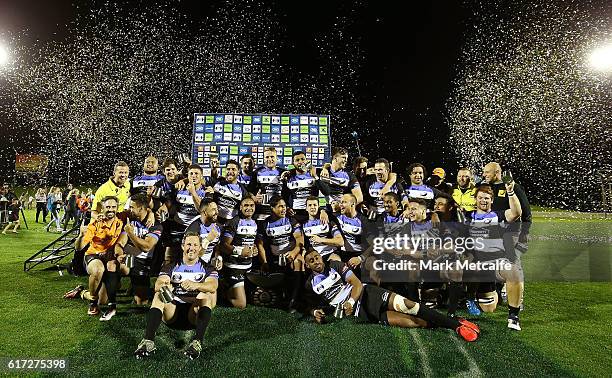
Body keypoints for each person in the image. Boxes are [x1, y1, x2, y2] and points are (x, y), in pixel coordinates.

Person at [303, 249, 480, 342]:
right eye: (311, 261)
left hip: (368, 294)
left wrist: (350, 301)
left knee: (409, 306)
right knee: (414, 322)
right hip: (363, 313)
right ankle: (454, 322)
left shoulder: (335, 265)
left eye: (317, 257)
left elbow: (356, 284)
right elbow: (311, 304)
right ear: (307, 266)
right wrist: (315, 313)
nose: (316, 262)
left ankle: (456, 326)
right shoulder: (310, 284)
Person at [134, 231, 218, 360]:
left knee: (205, 296)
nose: (192, 248)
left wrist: (196, 285)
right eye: (189, 244)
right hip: (172, 314)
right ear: (183, 246)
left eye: (195, 245)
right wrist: (166, 286)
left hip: (193, 316)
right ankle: (148, 341)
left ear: (200, 248)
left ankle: (197, 343)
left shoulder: (208, 268)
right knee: (158, 295)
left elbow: (212, 286)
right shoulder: (171, 266)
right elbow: (158, 284)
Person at [465, 184, 524, 330]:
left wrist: (510, 191)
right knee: (488, 308)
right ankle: (468, 297)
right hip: (476, 262)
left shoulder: (498, 215)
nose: (483, 200)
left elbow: (516, 212)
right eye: (480, 197)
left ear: (491, 200)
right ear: (475, 199)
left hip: (496, 261)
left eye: (486, 198)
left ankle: (513, 317)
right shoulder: (467, 216)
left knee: (514, 273)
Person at [102, 193, 164, 321]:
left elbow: (147, 246)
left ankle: (135, 287)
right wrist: (119, 254)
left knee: (141, 302)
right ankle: (107, 296)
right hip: (127, 259)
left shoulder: (156, 224)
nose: (128, 209)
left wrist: (131, 233)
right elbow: (120, 243)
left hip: (143, 262)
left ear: (141, 209)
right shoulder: (130, 220)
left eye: (131, 207)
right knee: (102, 298)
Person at [75, 196, 124, 316]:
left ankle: (81, 292)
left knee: (102, 301)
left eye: (113, 207)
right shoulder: (95, 224)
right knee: (98, 269)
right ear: (102, 208)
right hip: (93, 256)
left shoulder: (120, 223)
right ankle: (92, 303)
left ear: (117, 208)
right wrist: (81, 236)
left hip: (108, 260)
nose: (111, 210)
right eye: (108, 207)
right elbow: (79, 247)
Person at [256, 195, 305, 311]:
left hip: (292, 255)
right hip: (274, 258)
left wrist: (293, 253)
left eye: (284, 206)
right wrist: (264, 262)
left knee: (298, 261)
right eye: (280, 207)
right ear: (272, 208)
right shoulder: (265, 224)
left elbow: (300, 239)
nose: (283, 209)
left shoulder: (291, 220)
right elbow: (260, 244)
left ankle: (294, 300)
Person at [219, 197, 260, 309]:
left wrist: (254, 249)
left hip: (248, 266)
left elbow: (250, 242)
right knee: (241, 304)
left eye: (252, 205)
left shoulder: (255, 222)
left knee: (255, 298)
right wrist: (239, 251)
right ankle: (222, 290)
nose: (249, 208)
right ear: (240, 207)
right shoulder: (235, 221)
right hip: (234, 266)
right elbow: (223, 245)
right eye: (246, 205)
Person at [164, 164, 207, 263]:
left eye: (196, 173)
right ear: (187, 176)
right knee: (170, 257)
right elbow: (170, 202)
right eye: (191, 173)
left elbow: (201, 210)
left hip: (194, 228)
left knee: (190, 257)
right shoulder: (180, 188)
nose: (193, 176)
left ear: (201, 176)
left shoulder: (206, 192)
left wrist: (193, 192)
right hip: (177, 226)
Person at [247, 147, 286, 221]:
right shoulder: (257, 172)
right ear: (264, 159)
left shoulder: (283, 173)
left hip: (278, 212)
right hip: (261, 213)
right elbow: (249, 191)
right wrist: (254, 198)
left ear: (277, 158)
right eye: (267, 157)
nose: (270, 159)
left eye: (272, 157)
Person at [281, 151, 319, 224]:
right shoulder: (289, 177)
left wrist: (317, 176)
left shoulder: (314, 174)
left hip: (312, 213)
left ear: (306, 161)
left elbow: (326, 192)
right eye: (297, 160)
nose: (300, 162)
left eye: (302, 159)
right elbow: (284, 196)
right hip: (296, 214)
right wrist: (288, 208)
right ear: (293, 163)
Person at [208, 160, 249, 225]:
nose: (230, 172)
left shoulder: (243, 190)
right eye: (228, 169)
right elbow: (211, 179)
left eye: (233, 169)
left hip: (231, 225)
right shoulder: (218, 183)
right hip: (215, 222)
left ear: (238, 172)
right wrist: (214, 169)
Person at [302, 196, 343, 261]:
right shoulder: (303, 224)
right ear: (306, 208)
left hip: (330, 253)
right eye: (310, 205)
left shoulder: (329, 221)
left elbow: (340, 242)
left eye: (315, 205)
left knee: (336, 260)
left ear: (318, 207)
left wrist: (321, 240)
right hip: (314, 257)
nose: (312, 207)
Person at [186, 198, 222, 265]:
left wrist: (217, 258)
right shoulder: (193, 229)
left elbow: (217, 245)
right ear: (205, 212)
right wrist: (207, 240)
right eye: (213, 210)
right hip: (194, 266)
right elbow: (192, 257)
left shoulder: (218, 227)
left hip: (207, 264)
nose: (217, 212)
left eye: (217, 209)